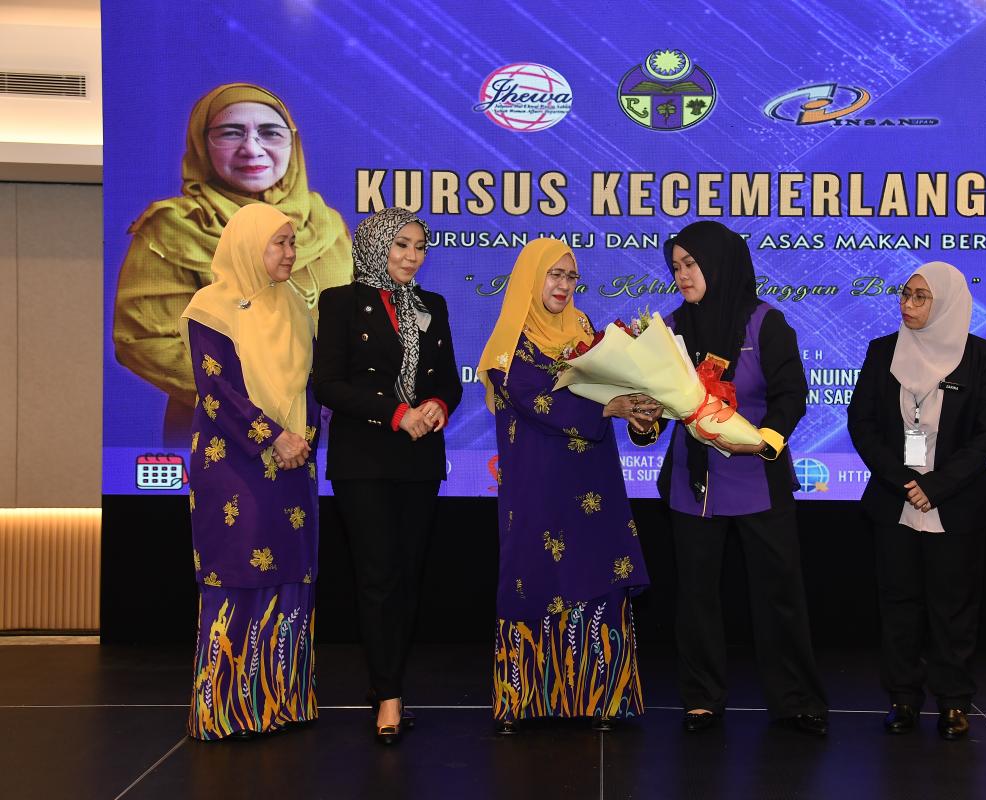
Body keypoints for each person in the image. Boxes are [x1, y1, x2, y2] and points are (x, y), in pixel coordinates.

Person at [631, 220, 829, 736]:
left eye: (691, 265)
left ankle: (796, 700)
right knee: (696, 597)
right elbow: (656, 410)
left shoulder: (765, 323)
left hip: (757, 476)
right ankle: (701, 698)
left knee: (779, 595)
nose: (681, 275)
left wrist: (765, 439)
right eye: (676, 267)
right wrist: (643, 422)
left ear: (719, 265)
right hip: (692, 482)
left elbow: (791, 394)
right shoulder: (669, 331)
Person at [478, 238, 655, 734]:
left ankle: (602, 696)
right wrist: (607, 407)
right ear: (531, 279)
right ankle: (524, 700)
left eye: (570, 276)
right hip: (537, 484)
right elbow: (535, 400)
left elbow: (609, 387)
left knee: (594, 571)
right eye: (553, 275)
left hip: (592, 480)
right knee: (534, 574)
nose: (563, 285)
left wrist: (639, 408)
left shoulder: (583, 331)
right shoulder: (508, 345)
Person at [114, 82, 351, 445]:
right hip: (222, 426)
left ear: (293, 144)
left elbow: (349, 326)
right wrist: (255, 400)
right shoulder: (176, 227)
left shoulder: (325, 225)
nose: (251, 149)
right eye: (230, 133)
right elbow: (146, 339)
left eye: (270, 133)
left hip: (323, 424)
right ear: (202, 144)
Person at [313, 208, 462, 745]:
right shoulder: (340, 302)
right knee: (377, 577)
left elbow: (449, 381)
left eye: (420, 247)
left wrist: (438, 405)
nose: (412, 256)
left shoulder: (431, 305)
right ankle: (389, 697)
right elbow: (328, 385)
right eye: (401, 244)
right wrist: (396, 413)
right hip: (365, 459)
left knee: (407, 576)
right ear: (376, 245)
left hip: (419, 460)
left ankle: (389, 682)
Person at [847, 261, 986, 741]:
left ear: (948, 303)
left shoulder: (981, 357)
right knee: (899, 605)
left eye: (921, 297)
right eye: (905, 294)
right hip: (895, 501)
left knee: (953, 608)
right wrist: (902, 480)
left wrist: (936, 485)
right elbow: (862, 424)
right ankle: (902, 699)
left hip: (956, 503)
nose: (908, 304)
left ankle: (954, 702)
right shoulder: (882, 351)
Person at [181, 202, 321, 741]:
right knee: (237, 570)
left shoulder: (297, 306)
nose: (289, 253)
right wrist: (273, 438)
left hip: (293, 463)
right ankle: (226, 709)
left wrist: (301, 440)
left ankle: (279, 701)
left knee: (290, 572)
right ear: (247, 246)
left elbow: (311, 388)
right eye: (278, 243)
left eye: (292, 242)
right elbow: (217, 391)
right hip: (233, 463)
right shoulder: (211, 307)